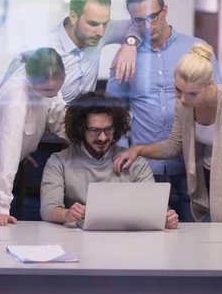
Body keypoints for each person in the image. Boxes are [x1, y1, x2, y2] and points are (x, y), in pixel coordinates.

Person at [0, 0, 144, 219]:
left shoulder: (100, 33)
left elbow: (135, 25)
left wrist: (129, 44)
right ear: (74, 17)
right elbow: (5, 96)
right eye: (94, 24)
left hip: (79, 146)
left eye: (105, 24)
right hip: (40, 147)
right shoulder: (40, 47)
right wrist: (17, 142)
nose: (101, 31)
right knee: (35, 219)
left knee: (79, 217)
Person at [106, 0, 222, 222]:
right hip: (142, 169)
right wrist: (120, 152)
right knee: (146, 246)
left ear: (165, 10)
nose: (148, 26)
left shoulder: (195, 49)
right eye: (139, 20)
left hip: (191, 167)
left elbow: (217, 101)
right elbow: (110, 111)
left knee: (195, 244)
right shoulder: (126, 57)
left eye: (153, 16)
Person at [113, 44, 222, 223]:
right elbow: (174, 145)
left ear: (209, 83)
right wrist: (137, 150)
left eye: (192, 93)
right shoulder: (184, 105)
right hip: (206, 179)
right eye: (178, 90)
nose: (183, 99)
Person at [40, 92, 178, 229]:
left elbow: (154, 207)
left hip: (127, 241)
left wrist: (166, 216)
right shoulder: (59, 161)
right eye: (94, 130)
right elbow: (48, 209)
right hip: (77, 240)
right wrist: (66, 214)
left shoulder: (135, 163)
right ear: (81, 129)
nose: (102, 138)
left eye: (108, 130)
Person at [0, 47, 68, 226]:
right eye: (47, 91)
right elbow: (7, 151)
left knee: (13, 234)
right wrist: (1, 208)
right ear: (31, 79)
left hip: (13, 166)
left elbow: (59, 118)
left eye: (57, 89)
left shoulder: (47, 83)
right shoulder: (16, 98)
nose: (53, 95)